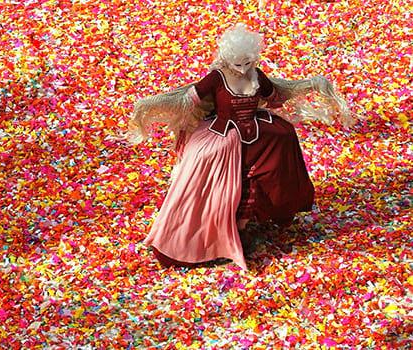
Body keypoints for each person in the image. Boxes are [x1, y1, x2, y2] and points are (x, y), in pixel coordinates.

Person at [126, 23, 354, 270]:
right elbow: (187, 99)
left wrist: (310, 84)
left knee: (283, 139)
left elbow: (276, 94)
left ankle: (247, 223)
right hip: (223, 137)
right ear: (226, 58)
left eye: (247, 62)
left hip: (258, 135)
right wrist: (152, 105)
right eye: (238, 64)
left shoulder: (256, 74)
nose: (243, 68)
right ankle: (204, 234)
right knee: (204, 169)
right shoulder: (217, 77)